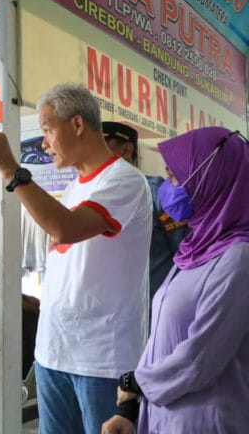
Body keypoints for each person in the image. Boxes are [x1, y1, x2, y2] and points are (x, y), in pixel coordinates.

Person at [0, 83, 152, 434]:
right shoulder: (76, 186)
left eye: (46, 130)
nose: (44, 142)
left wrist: (13, 171)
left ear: (76, 125)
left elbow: (65, 229)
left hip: (101, 358)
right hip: (54, 350)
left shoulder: (126, 181)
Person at [102, 127, 249, 434]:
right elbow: (164, 336)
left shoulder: (238, 259)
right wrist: (130, 408)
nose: (167, 190)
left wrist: (140, 382)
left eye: (173, 178)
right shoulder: (196, 248)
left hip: (206, 421)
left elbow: (200, 358)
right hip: (165, 416)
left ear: (213, 180)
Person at [102, 121, 189, 301]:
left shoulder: (157, 193)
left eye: (102, 146)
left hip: (150, 314)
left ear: (127, 150)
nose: (92, 153)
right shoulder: (85, 196)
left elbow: (185, 254)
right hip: (105, 317)